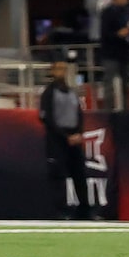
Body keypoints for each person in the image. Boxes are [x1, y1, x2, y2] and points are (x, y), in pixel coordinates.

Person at [41, 58, 90, 217]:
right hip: (57, 139)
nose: (62, 72)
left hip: (73, 137)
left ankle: (84, 210)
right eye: (59, 68)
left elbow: (78, 113)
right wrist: (65, 136)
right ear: (53, 71)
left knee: (80, 175)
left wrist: (78, 133)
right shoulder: (49, 93)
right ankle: (60, 211)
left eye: (64, 68)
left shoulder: (71, 92)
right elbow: (47, 118)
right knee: (58, 176)